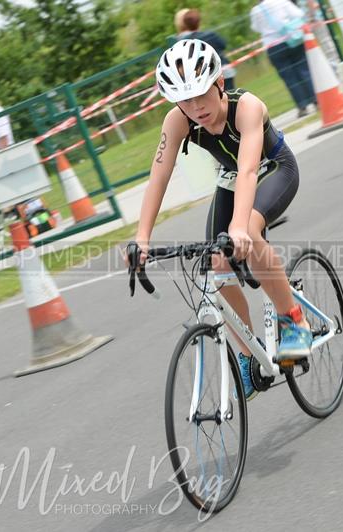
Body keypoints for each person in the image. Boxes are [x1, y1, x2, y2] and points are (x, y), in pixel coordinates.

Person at [127, 39, 312, 400]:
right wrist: (142, 237)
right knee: (217, 261)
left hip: (273, 169)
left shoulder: (248, 108)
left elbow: (247, 171)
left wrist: (240, 227)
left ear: (220, 84)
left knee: (251, 232)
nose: (195, 108)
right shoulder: (177, 119)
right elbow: (160, 174)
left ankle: (294, 322)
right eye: (185, 100)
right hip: (231, 180)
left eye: (201, 95)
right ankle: (248, 356)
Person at [250, 0, 316, 117]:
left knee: (289, 77)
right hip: (291, 39)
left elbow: (256, 28)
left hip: (273, 46)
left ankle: (302, 106)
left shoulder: (255, 11)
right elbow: (298, 14)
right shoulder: (281, 1)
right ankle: (315, 99)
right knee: (304, 69)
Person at [174, 8, 236, 90]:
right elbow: (223, 44)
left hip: (205, 79)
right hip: (224, 72)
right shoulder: (211, 35)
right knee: (231, 99)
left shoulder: (184, 43)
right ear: (199, 22)